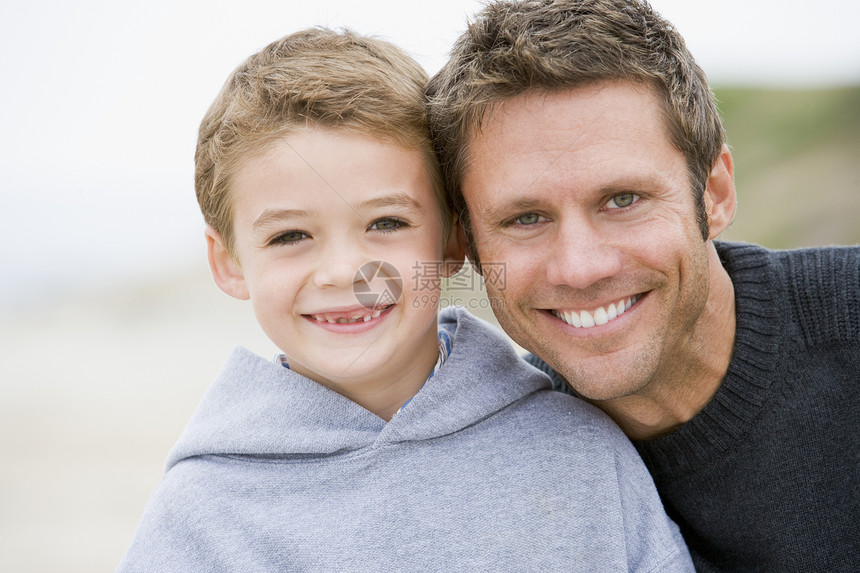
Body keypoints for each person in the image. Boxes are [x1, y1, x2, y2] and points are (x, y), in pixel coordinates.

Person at [116, 27, 694, 572]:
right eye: (290, 236)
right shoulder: (199, 515)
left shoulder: (586, 455)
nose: (345, 270)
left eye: (387, 222)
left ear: (452, 240)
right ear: (228, 262)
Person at [427, 0, 860, 571]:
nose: (580, 269)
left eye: (623, 200)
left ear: (716, 193)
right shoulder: (501, 457)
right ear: (471, 247)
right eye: (525, 218)